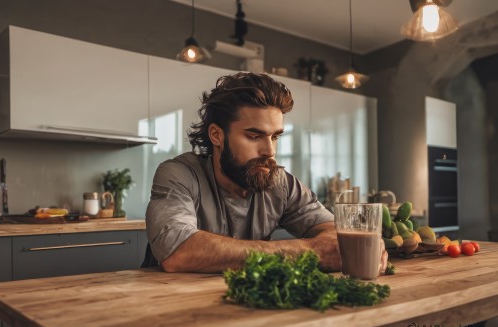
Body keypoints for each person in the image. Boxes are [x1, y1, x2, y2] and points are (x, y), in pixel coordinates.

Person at [145, 72, 387, 273]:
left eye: (275, 136)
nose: (270, 151)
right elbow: (177, 253)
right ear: (216, 135)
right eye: (254, 136)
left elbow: (335, 232)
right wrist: (309, 250)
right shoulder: (178, 174)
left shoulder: (279, 182)